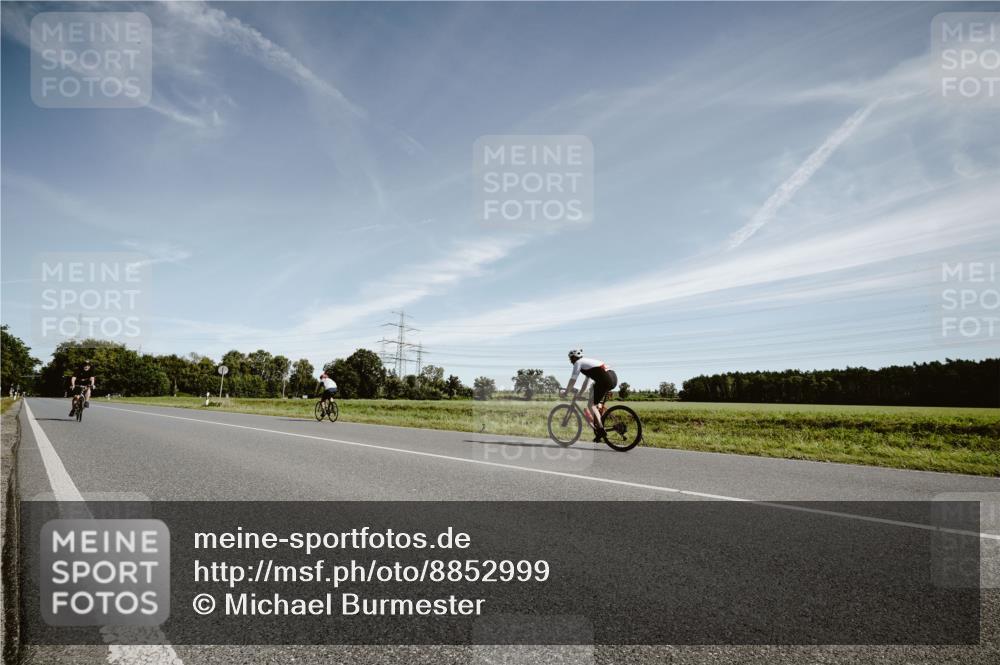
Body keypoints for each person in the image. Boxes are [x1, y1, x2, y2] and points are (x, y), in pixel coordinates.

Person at [561, 349, 618, 442]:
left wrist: (566, 392)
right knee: (594, 399)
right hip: (612, 377)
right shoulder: (587, 363)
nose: (570, 361)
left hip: (605, 380)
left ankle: (601, 429)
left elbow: (573, 379)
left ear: (574, 357)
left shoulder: (578, 363)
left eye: (570, 358)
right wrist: (580, 394)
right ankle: (599, 432)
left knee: (590, 405)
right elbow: (586, 382)